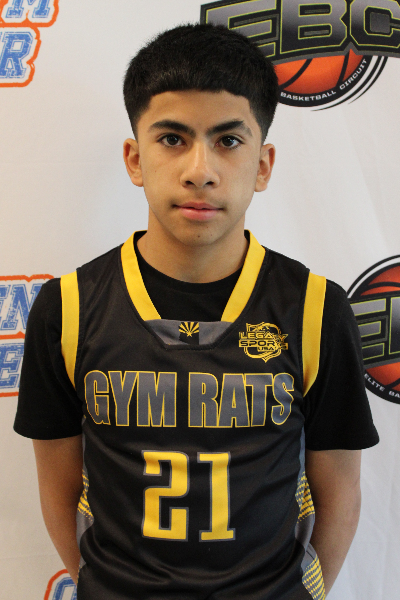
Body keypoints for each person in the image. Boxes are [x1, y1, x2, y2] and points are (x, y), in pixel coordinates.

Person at [14, 23, 378, 600]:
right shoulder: (69, 308)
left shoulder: (315, 308)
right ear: (135, 158)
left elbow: (340, 492)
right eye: (172, 138)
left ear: (263, 165)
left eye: (228, 140)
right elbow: (58, 490)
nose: (200, 170)